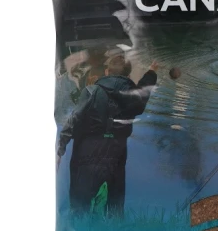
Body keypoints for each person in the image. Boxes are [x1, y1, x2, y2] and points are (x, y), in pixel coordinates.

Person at [57, 55, 158, 216]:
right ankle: (112, 229)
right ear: (128, 75)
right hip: (117, 154)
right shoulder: (134, 98)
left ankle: (80, 230)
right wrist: (151, 71)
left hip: (87, 153)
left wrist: (59, 149)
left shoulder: (91, 92)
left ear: (106, 72)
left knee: (79, 207)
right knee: (114, 210)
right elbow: (144, 89)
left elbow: (74, 119)